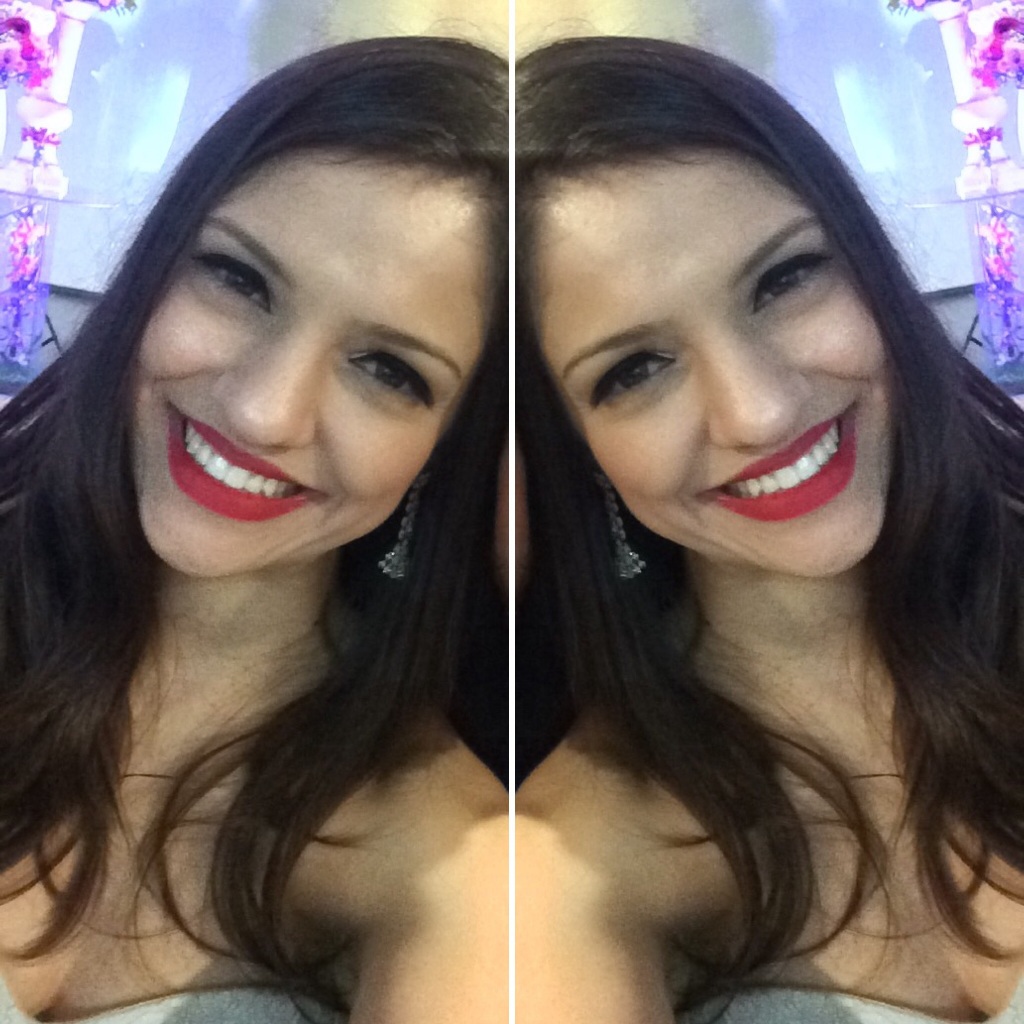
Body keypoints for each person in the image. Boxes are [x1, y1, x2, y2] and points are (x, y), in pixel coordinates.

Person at [515, 35, 1024, 1024]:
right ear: (574, 449)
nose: (757, 409)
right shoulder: (567, 864)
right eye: (634, 369)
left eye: (783, 281)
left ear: (867, 272)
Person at [0, 36, 508, 1023]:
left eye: (389, 369)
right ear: (155, 272)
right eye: (240, 281)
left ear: (449, 450)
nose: (266, 409)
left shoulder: (455, 864)